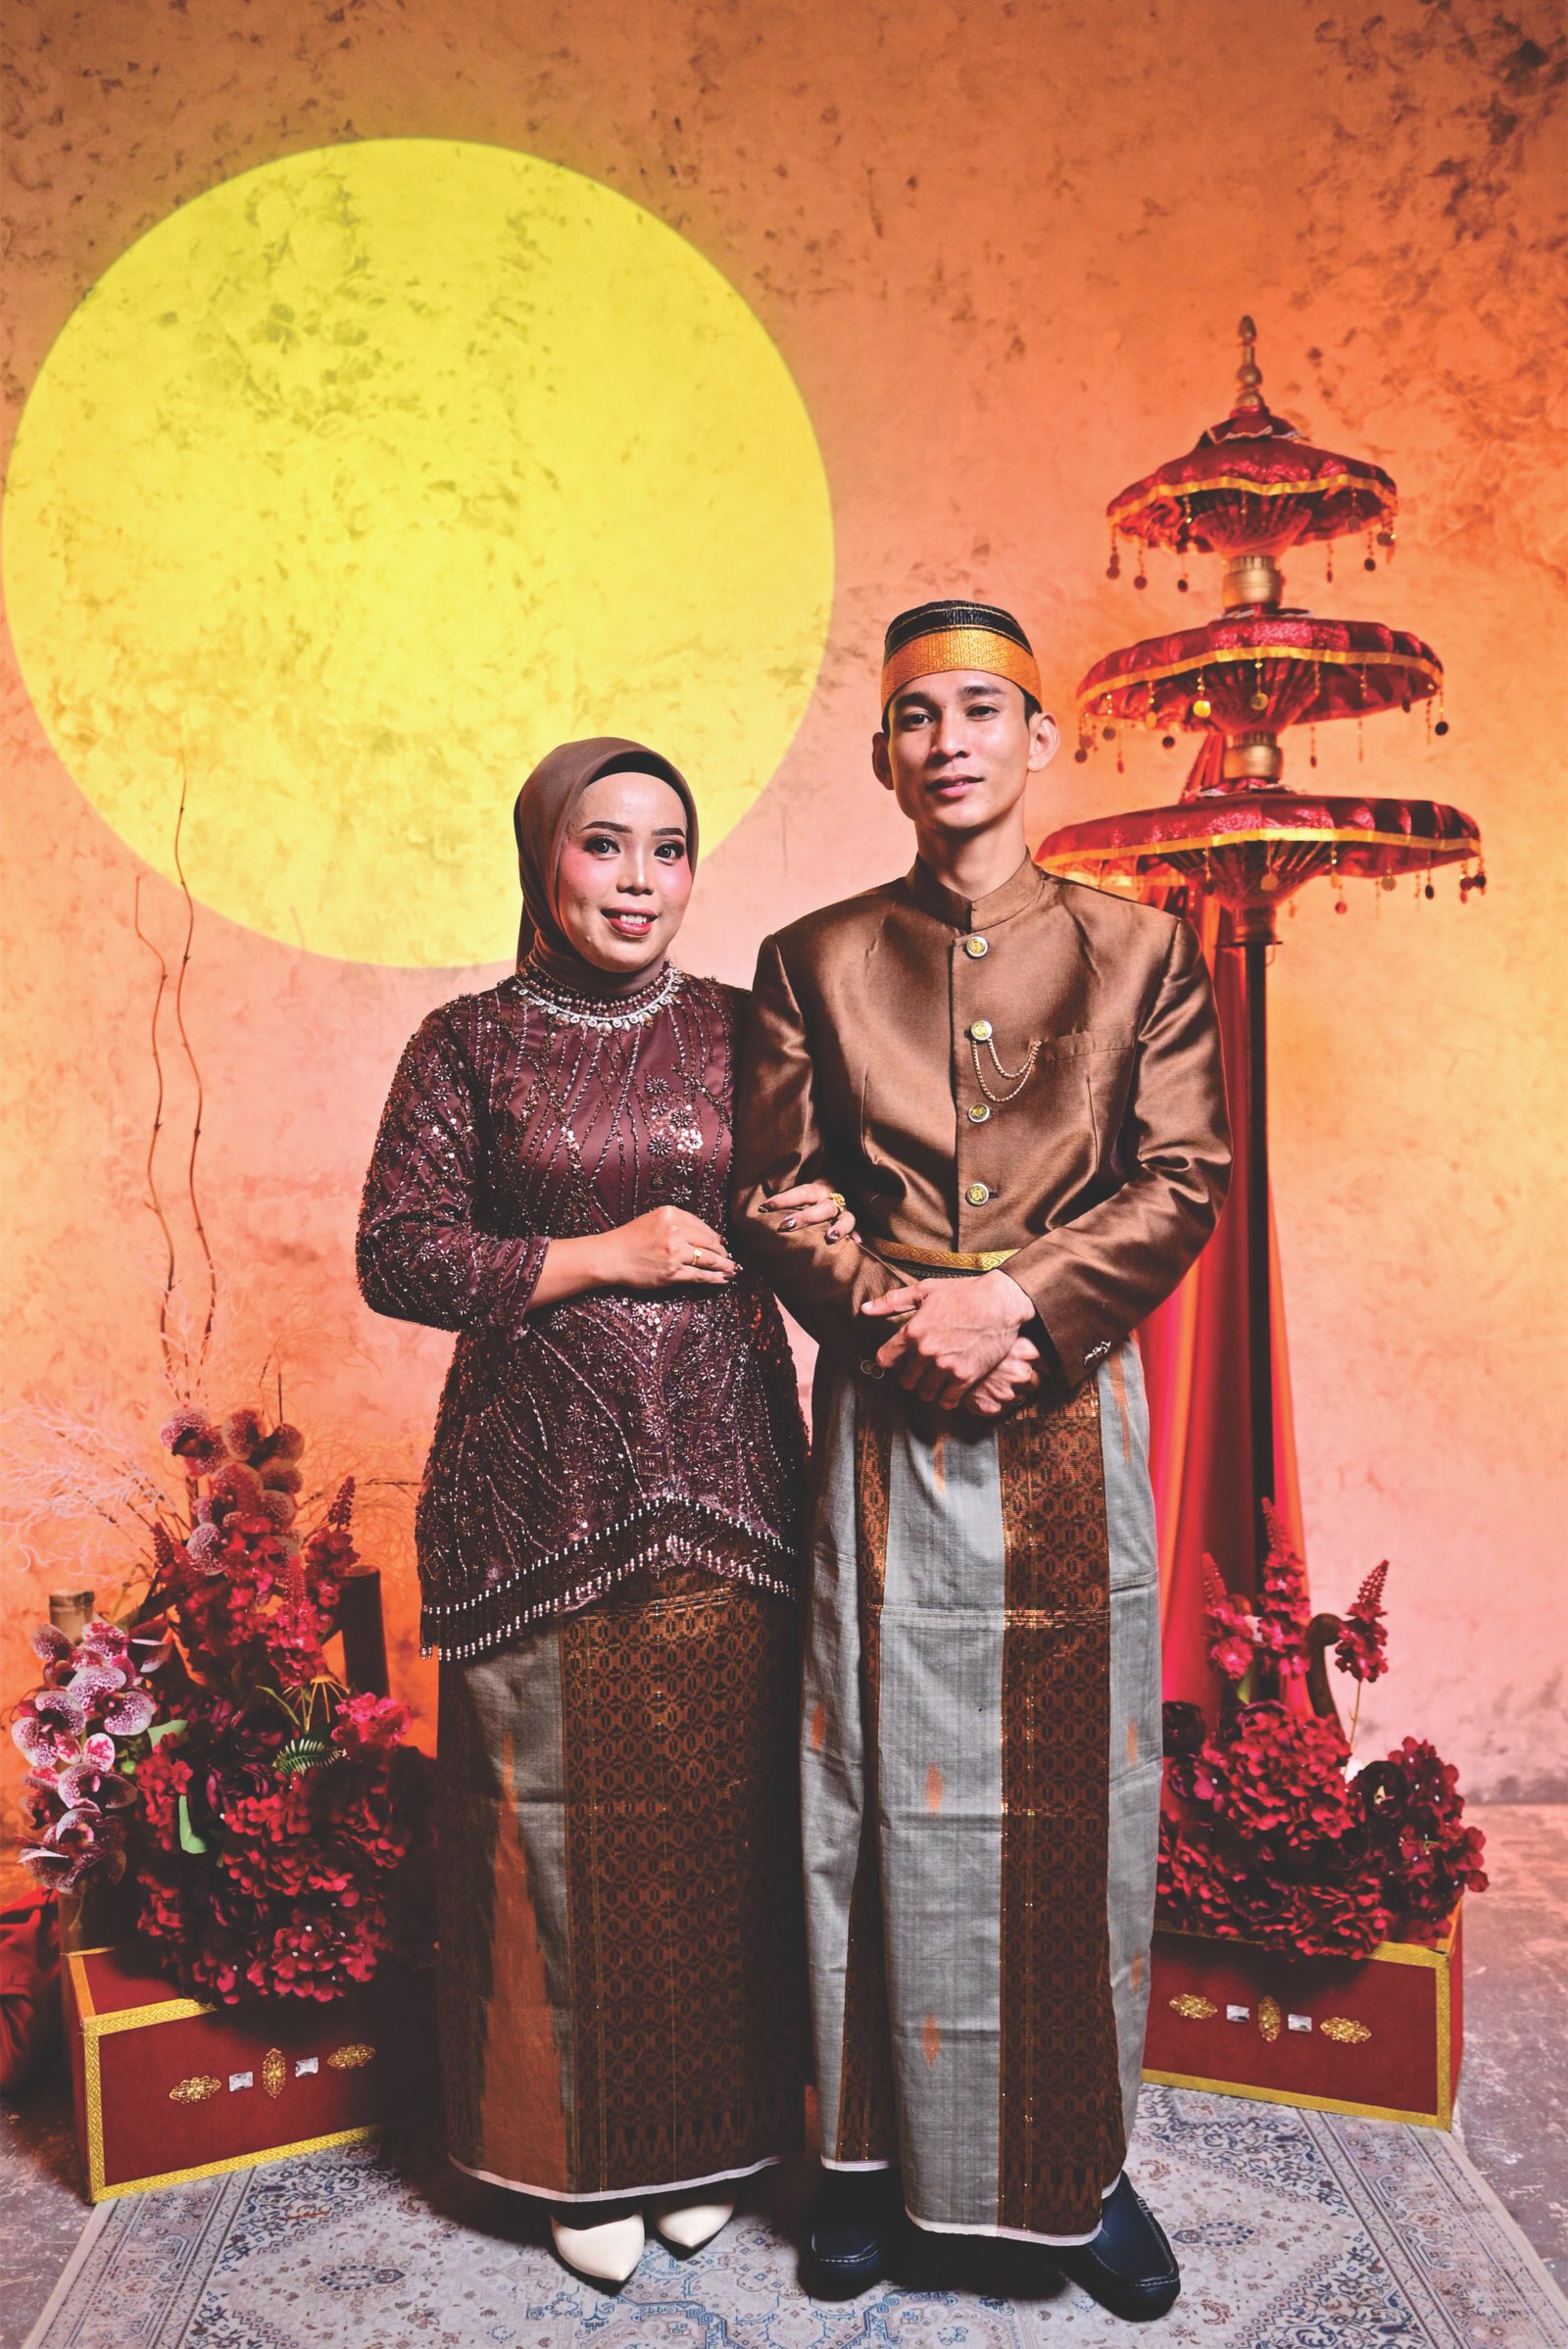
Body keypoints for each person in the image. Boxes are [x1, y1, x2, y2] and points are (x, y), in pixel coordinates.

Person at [731, 601, 1232, 2321]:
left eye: (980, 709)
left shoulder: (1143, 951)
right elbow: (777, 1190)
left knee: (1078, 1792)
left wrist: (1015, 1300)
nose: (948, 740)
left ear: (1039, 739)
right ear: (882, 755)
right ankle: (861, 2161)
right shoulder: (810, 959)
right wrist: (909, 1314)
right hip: (884, 1418)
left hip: (1066, 1403)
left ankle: (1079, 2161)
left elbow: (1183, 1173)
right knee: (866, 1780)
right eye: (915, 716)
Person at [358, 738, 850, 2289]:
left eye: (668, 847)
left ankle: (712, 2136)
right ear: (543, 859)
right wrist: (599, 1256)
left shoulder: (749, 1029)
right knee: (549, 1821)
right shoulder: (466, 1044)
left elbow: (812, 1215)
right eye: (605, 844)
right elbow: (397, 1250)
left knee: (720, 1812)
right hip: (537, 1492)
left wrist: (832, 1229)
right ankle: (573, 2153)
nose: (640, 880)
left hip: (729, 1479)